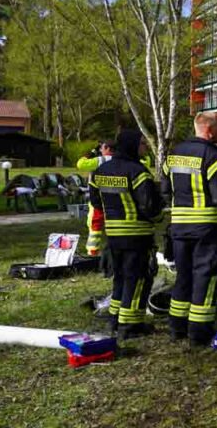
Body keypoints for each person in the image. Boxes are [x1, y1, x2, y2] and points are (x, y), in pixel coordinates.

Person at [162, 112, 217, 346]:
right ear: (209, 131)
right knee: (207, 277)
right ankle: (199, 330)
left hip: (179, 228)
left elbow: (165, 191)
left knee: (184, 276)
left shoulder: (173, 155)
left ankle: (177, 327)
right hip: (207, 228)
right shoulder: (212, 157)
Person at [89, 130, 163, 340]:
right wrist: (158, 217)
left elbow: (95, 201)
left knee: (120, 277)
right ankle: (130, 325)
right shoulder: (137, 172)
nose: (145, 147)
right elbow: (149, 206)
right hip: (137, 234)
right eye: (142, 144)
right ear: (131, 145)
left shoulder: (100, 171)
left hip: (113, 235)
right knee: (138, 279)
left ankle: (115, 318)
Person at [78, 140, 114, 256]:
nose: (100, 150)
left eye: (101, 148)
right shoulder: (122, 161)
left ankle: (93, 252)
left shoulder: (100, 160)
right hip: (116, 198)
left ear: (107, 148)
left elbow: (81, 164)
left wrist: (91, 153)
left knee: (95, 224)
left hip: (98, 198)